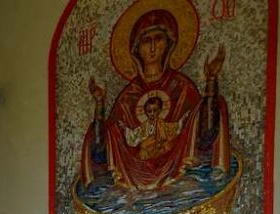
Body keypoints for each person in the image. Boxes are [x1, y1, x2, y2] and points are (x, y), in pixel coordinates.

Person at [81, 8, 230, 192]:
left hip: (178, 166)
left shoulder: (181, 86)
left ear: (168, 43)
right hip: (133, 170)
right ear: (136, 48)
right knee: (103, 127)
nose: (152, 48)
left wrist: (211, 81)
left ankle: (214, 173)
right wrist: (99, 105)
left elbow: (204, 135)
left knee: (217, 103)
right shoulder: (128, 97)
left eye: (158, 39)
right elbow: (102, 150)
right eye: (146, 41)